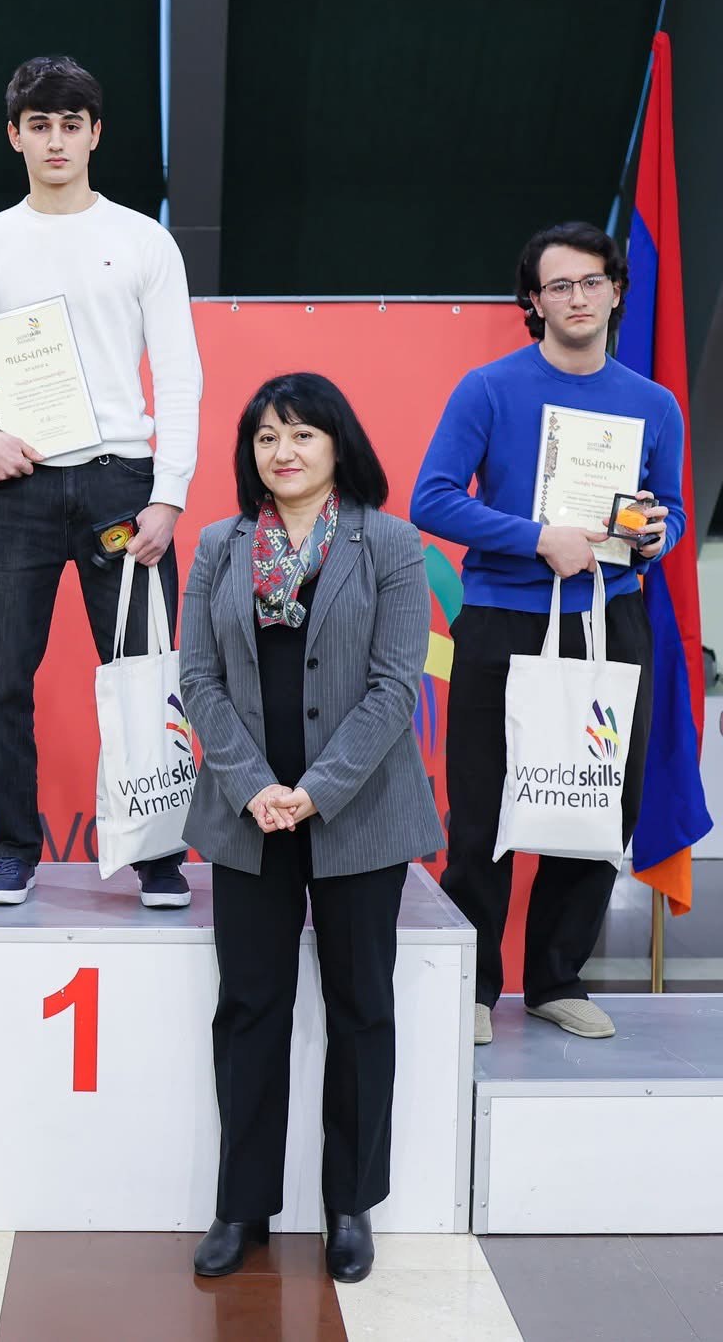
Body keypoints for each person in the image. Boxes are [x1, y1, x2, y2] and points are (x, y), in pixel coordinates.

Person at [0, 55, 202, 908]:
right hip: (19, 489)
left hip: (124, 485)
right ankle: (12, 849)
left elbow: (178, 375)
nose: (56, 141)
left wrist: (169, 493)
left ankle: (157, 853)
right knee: (3, 680)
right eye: (39, 125)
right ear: (15, 135)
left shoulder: (143, 240)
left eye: (71, 125)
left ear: (95, 134)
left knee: (145, 672)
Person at [179, 373, 440, 1284]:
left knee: (362, 1006)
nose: (281, 451)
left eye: (300, 434)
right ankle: (241, 1206)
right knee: (250, 1006)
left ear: (337, 444)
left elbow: (396, 686)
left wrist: (315, 792)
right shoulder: (218, 546)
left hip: (359, 812)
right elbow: (199, 679)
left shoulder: (388, 542)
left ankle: (350, 1204)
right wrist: (256, 786)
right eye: (265, 437)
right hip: (249, 815)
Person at [410, 220, 686, 1043]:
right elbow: (431, 498)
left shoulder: (654, 404)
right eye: (558, 285)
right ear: (533, 301)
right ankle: (472, 986)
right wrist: (538, 538)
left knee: (599, 804)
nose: (577, 297)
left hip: (609, 619)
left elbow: (668, 512)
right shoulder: (488, 389)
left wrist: (654, 536)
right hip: (504, 618)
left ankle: (556, 977)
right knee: (485, 810)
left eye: (592, 281)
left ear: (616, 292)